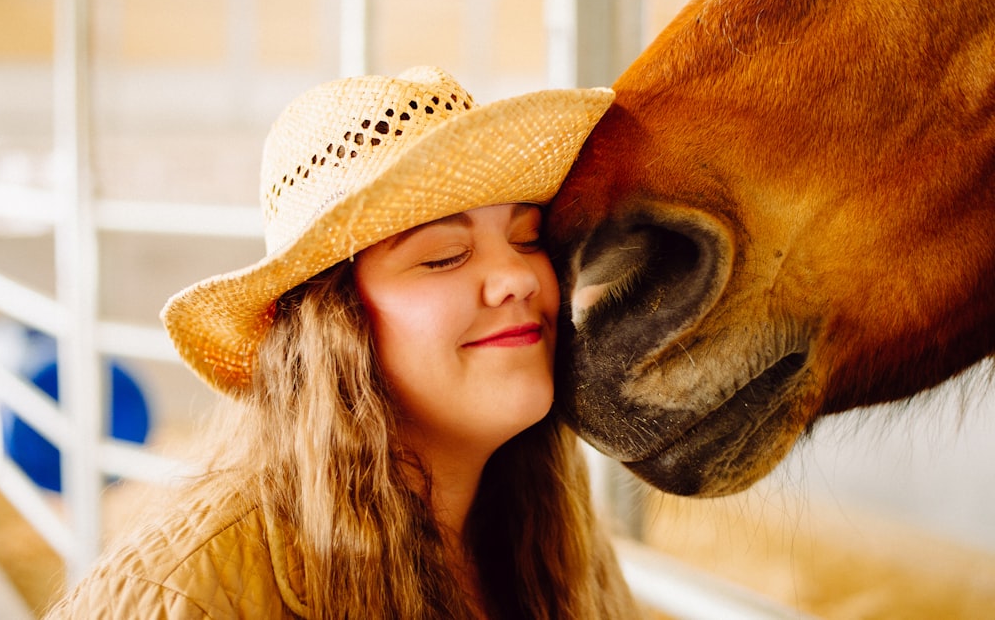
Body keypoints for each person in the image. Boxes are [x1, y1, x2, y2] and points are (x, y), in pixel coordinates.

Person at [44, 66, 638, 619]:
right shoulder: (175, 596)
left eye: (527, 237)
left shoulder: (564, 534)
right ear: (332, 325)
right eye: (443, 257)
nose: (519, 277)